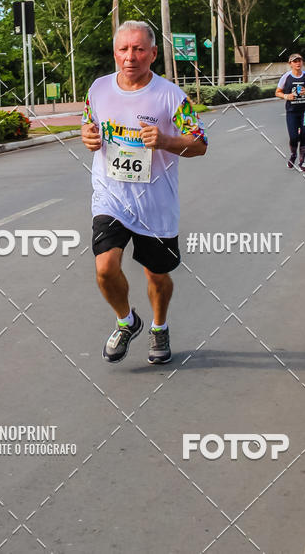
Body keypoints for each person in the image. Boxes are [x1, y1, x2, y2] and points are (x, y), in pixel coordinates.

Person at [81, 20, 208, 365]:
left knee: (157, 274)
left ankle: (159, 326)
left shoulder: (171, 96)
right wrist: (87, 135)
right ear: (114, 53)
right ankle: (127, 321)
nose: (130, 56)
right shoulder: (99, 89)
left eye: (138, 49)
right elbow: (88, 123)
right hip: (111, 197)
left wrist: (165, 141)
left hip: (155, 203)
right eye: (123, 49)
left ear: (153, 54)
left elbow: (200, 144)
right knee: (105, 267)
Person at [276, 54, 305, 172]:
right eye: (295, 61)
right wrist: (286, 96)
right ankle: (293, 155)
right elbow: (277, 92)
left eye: (299, 61)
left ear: (302, 62)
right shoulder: (286, 77)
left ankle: (302, 161)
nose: (298, 63)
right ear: (290, 64)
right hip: (292, 112)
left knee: (304, 137)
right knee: (293, 137)